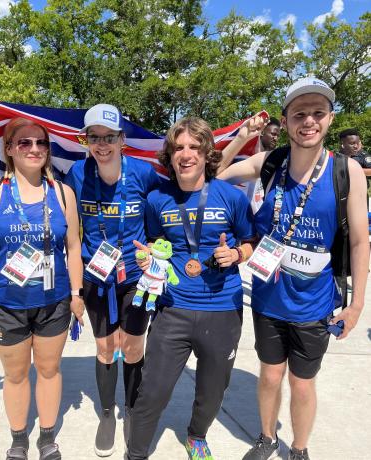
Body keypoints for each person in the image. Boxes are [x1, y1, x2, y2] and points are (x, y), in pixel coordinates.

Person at [218, 77, 369, 460]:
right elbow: (216, 174)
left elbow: (359, 242)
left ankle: (299, 448)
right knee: (270, 376)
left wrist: (356, 306)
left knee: (303, 385)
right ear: (285, 121)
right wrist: (240, 138)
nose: (309, 121)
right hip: (269, 298)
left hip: (315, 303)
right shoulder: (271, 163)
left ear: (330, 119)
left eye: (318, 113)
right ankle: (267, 438)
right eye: (299, 113)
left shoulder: (345, 171)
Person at [0, 117, 85, 460]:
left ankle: (47, 437)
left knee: (49, 369)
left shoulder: (62, 193)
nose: (34, 148)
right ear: (9, 149)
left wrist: (76, 294)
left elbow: (73, 246)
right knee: (14, 374)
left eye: (41, 143)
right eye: (24, 142)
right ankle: (18, 438)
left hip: (53, 302)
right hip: (5, 303)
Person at [127, 117, 257, 460]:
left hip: (223, 308)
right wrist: (150, 257)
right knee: (153, 390)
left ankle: (196, 435)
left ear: (206, 153)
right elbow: (155, 240)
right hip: (174, 308)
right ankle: (135, 453)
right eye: (179, 148)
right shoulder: (157, 199)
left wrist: (237, 253)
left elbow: (251, 241)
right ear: (170, 155)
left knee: (213, 390)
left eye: (194, 147)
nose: (186, 155)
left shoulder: (231, 196)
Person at [64, 104, 160, 457]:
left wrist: (154, 245)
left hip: (136, 276)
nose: (101, 145)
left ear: (122, 139)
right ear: (86, 140)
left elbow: (167, 206)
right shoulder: (76, 173)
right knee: (105, 347)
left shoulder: (144, 173)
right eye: (94, 138)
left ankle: (131, 410)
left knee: (133, 346)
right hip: (96, 275)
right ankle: (107, 413)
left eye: (109, 137)